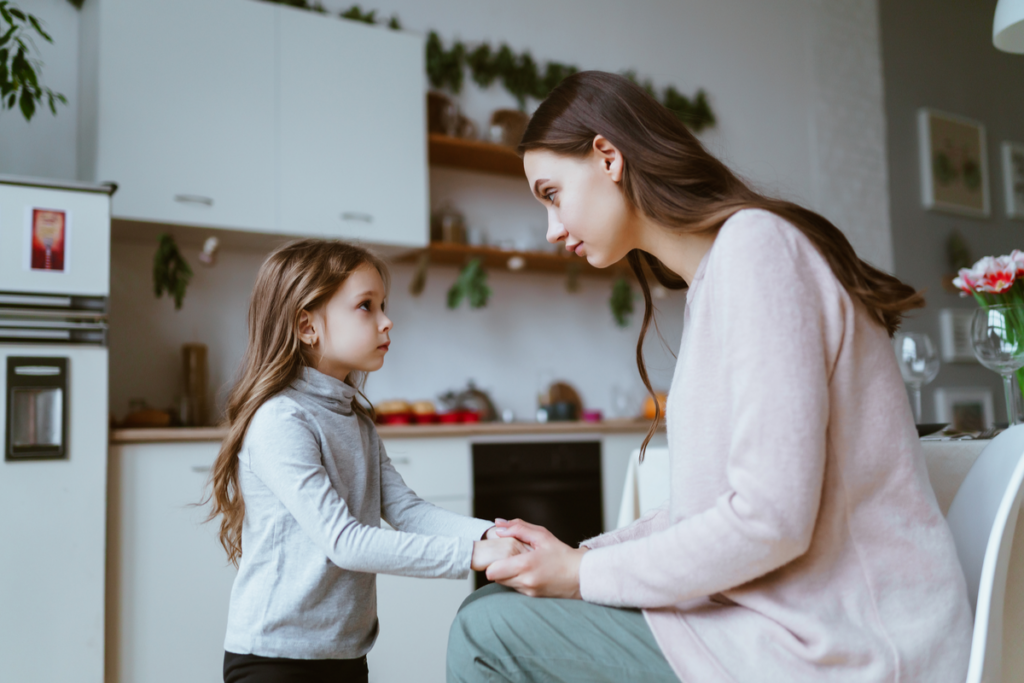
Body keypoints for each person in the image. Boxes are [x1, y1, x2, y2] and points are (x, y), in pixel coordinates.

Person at [446, 71, 973, 683]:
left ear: (607, 157)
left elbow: (769, 521)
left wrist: (581, 575)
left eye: (552, 193)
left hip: (841, 648)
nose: (552, 228)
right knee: (492, 608)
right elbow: (704, 511)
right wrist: (579, 557)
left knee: (486, 632)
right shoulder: (719, 280)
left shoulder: (757, 250)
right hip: (774, 628)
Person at [205, 240, 526, 683]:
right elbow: (345, 542)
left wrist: (493, 533)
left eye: (383, 305)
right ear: (306, 326)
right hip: (276, 660)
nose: (387, 321)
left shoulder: (354, 418)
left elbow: (407, 511)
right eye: (366, 307)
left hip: (345, 654)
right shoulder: (282, 419)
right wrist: (474, 554)